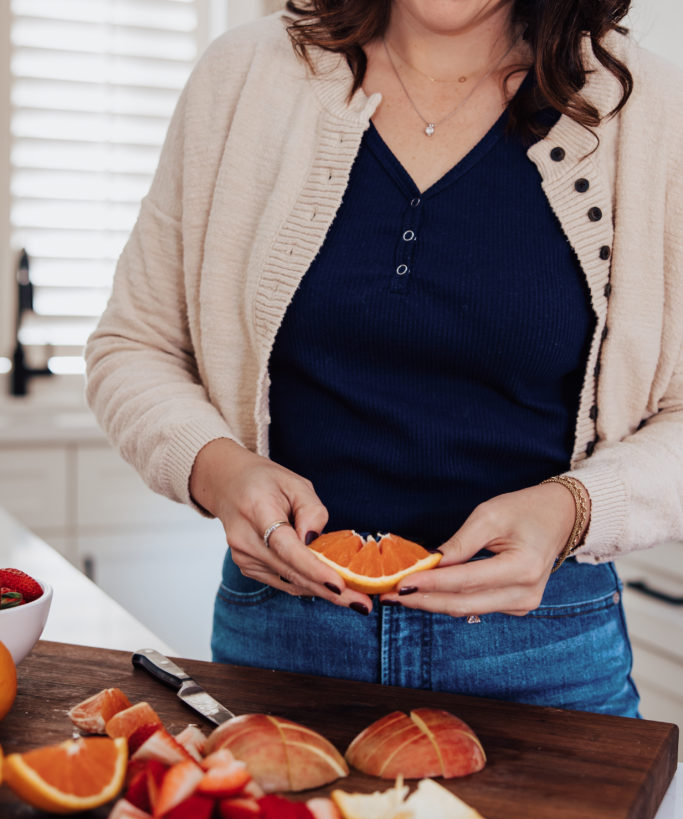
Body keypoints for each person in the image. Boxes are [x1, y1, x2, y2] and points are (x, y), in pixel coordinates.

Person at [85, 0, 683, 716]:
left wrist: (577, 508)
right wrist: (217, 468)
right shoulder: (243, 77)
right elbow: (134, 344)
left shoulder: (651, 116)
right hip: (281, 639)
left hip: (544, 651)